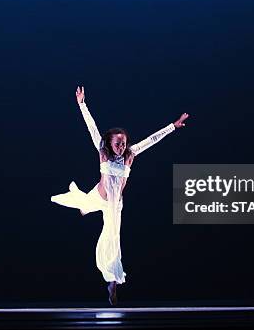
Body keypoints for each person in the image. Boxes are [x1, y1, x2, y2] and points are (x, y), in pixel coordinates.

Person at [51, 86, 189, 306]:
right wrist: (82, 104)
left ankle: (113, 281)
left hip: (115, 205)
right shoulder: (103, 150)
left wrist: (173, 126)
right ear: (110, 142)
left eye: (123, 143)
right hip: (99, 195)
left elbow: (152, 139)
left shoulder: (130, 154)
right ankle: (84, 205)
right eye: (117, 143)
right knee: (82, 205)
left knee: (113, 239)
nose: (121, 146)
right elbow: (92, 127)